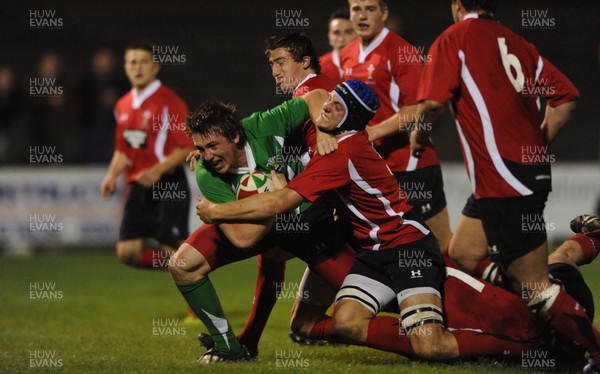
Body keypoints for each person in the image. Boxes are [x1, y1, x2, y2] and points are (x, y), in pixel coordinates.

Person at [195, 80, 544, 361]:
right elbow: (311, 101)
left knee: (432, 346)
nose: (325, 108)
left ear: (349, 119)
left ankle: (524, 349)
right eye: (329, 101)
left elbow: (282, 201)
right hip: (373, 251)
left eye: (335, 107)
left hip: (406, 246)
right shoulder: (334, 144)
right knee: (346, 322)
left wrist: (215, 211)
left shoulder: (341, 153)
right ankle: (424, 338)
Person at [408, 0, 600, 370]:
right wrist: (535, 149)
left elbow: (432, 104)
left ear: (457, 6)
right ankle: (544, 299)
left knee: (535, 288)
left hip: (505, 180)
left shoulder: (454, 38)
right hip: (510, 176)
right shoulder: (517, 42)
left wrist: (418, 135)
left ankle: (590, 349)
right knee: (463, 251)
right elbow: (565, 98)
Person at [169, 90, 357, 363]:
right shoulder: (207, 174)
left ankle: (426, 327)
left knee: (363, 292)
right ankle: (228, 348)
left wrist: (325, 133)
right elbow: (243, 239)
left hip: (308, 221)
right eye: (200, 149)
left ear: (235, 136)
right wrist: (273, 199)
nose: (207, 156)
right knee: (182, 265)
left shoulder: (262, 125)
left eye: (212, 146)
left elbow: (316, 96)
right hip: (256, 226)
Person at [340, 0, 452, 253]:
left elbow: (417, 109)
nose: (362, 16)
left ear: (384, 14)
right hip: (373, 169)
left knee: (439, 247)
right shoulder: (348, 54)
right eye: (356, 9)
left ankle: (475, 290)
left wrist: (372, 133)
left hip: (411, 165)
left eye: (370, 9)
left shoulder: (402, 52)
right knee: (382, 247)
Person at [100, 41, 193, 269]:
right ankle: (189, 267)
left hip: (168, 184)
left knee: (173, 247)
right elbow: (122, 149)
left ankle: (193, 283)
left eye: (143, 62)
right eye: (132, 62)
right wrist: (111, 175)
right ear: (125, 67)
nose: (137, 68)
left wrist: (157, 170)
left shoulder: (169, 101)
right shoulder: (122, 105)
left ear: (155, 67)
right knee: (127, 252)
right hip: (139, 187)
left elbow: (187, 147)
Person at [319, 8, 357, 85]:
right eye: (336, 33)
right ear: (329, 37)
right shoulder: (317, 69)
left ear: (359, 35)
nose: (341, 39)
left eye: (348, 32)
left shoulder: (371, 66)